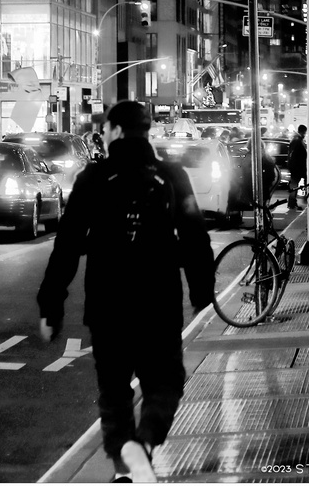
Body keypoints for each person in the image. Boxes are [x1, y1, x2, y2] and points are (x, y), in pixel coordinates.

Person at [37, 100, 215, 484]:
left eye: (104, 130)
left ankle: (122, 465)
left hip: (107, 304)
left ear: (116, 131)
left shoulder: (92, 179)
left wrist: (50, 306)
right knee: (164, 383)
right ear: (146, 131)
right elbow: (196, 238)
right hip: (159, 302)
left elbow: (66, 246)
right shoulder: (171, 176)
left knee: (113, 391)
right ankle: (146, 442)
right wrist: (202, 294)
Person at [287, 125, 309, 211]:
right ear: (303, 132)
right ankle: (292, 203)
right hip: (297, 167)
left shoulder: (296, 140)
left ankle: (292, 203)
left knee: (294, 185)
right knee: (294, 186)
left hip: (296, 167)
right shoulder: (297, 141)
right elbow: (296, 156)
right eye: (305, 132)